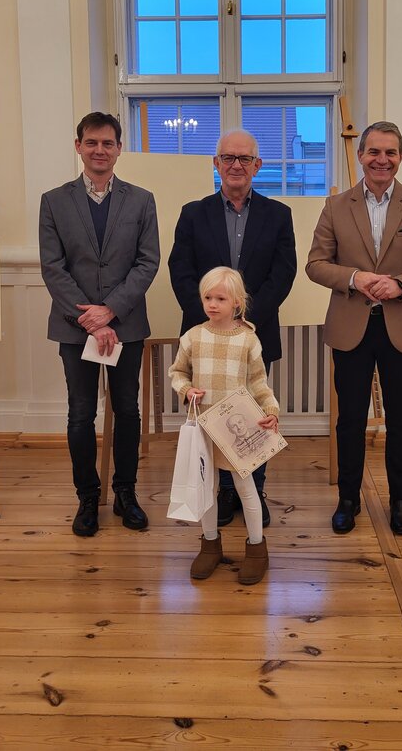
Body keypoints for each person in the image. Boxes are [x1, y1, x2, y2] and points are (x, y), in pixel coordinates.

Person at [306, 121, 402, 536]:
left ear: (400, 157)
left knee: (401, 419)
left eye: (390, 152)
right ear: (360, 156)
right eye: (374, 152)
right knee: (350, 418)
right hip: (350, 327)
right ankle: (347, 500)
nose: (381, 160)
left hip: (401, 328)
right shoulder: (336, 206)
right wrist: (355, 278)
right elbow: (316, 264)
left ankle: (400, 500)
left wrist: (401, 284)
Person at [39, 111, 160, 537]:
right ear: (78, 146)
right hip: (75, 328)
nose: (99, 150)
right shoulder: (54, 201)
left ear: (119, 149)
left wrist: (109, 311)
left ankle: (126, 493)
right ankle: (88, 497)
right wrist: (90, 319)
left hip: (126, 325)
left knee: (127, 410)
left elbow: (147, 262)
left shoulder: (141, 200)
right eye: (91, 142)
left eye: (108, 143)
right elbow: (53, 267)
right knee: (80, 414)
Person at [168, 129, 296, 529]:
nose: (236, 165)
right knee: (213, 418)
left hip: (254, 335)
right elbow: (180, 271)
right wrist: (214, 319)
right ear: (216, 163)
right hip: (205, 339)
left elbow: (283, 273)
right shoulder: (193, 213)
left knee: (253, 416)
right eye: (228, 158)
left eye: (244, 158)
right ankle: (222, 493)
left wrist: (244, 319)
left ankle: (254, 489)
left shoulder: (278, 215)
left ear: (257, 165)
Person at [168, 266, 280, 585]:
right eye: (208, 298)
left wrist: (271, 410)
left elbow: (259, 383)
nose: (213, 304)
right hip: (204, 426)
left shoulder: (248, 339)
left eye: (220, 298)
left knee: (246, 488)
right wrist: (187, 389)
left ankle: (257, 550)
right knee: (207, 487)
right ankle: (209, 545)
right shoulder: (193, 337)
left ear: (237, 302)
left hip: (235, 431)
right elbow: (177, 372)